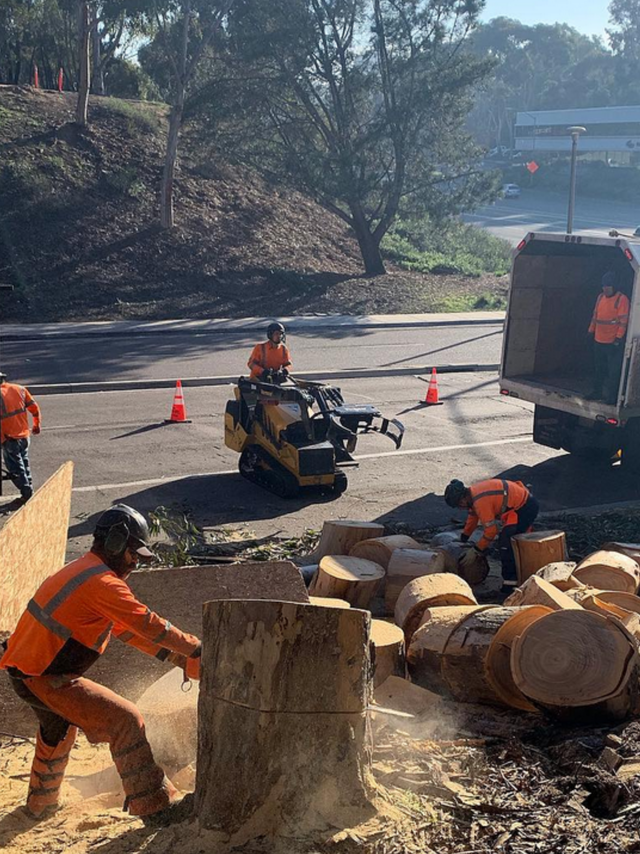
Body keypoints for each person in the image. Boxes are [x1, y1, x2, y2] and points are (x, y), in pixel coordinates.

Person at [0, 504, 201, 826]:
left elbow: (126, 631)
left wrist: (178, 658)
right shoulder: (101, 583)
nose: (135, 561)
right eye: (134, 553)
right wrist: (196, 649)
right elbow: (149, 625)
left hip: (26, 672)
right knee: (125, 719)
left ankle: (41, 804)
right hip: (45, 675)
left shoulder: (83, 570)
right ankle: (156, 808)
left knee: (58, 730)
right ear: (116, 543)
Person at [444, 478, 539, 590]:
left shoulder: (480, 501)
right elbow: (473, 518)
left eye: (459, 505)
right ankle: (521, 574)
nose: (461, 508)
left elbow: (491, 531)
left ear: (462, 500)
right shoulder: (473, 495)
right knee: (508, 538)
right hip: (519, 505)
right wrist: (464, 538)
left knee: (505, 543)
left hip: (524, 508)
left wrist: (476, 550)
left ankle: (511, 583)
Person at [587, 271, 630, 404]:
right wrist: (590, 332)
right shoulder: (600, 298)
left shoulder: (621, 299)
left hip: (612, 343)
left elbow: (623, 321)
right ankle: (597, 392)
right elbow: (595, 317)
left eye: (608, 286)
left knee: (613, 372)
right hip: (599, 340)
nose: (605, 289)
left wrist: (618, 339)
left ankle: (612, 397)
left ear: (614, 286)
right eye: (604, 286)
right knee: (598, 369)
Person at [0, 371, 41, 504]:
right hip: (23, 435)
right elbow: (34, 408)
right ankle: (28, 489)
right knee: (23, 463)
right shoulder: (20, 389)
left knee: (15, 468)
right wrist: (36, 424)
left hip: (8, 438)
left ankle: (26, 493)